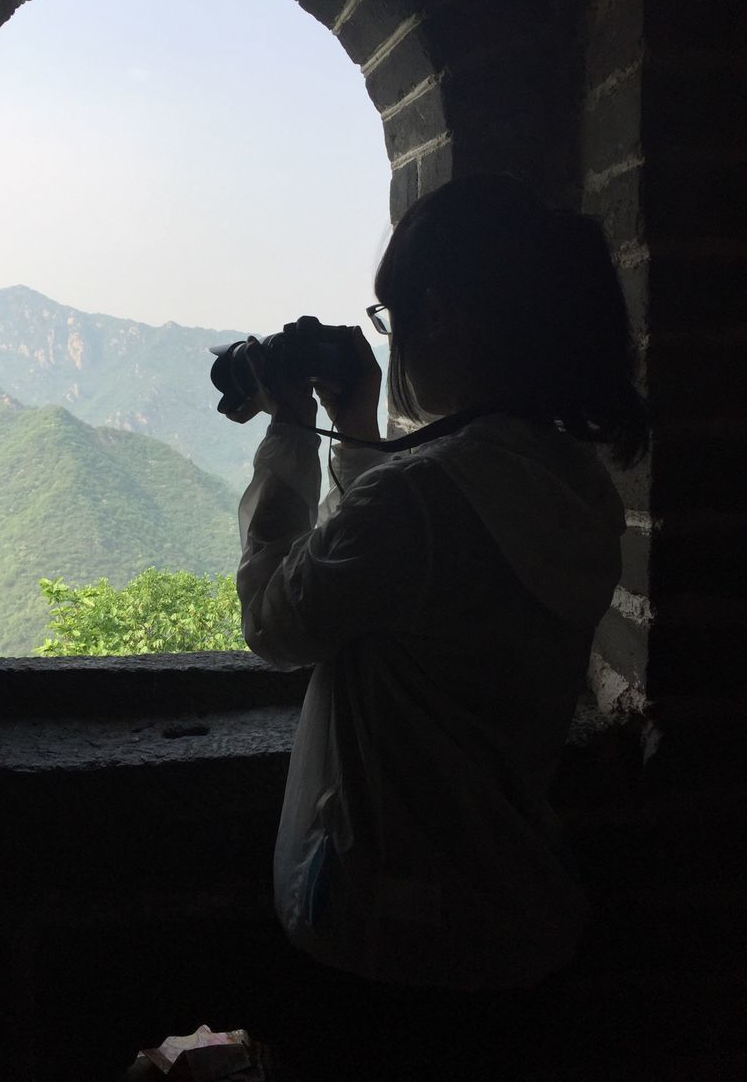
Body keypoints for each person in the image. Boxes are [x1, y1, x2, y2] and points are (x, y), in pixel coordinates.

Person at [234, 174, 647, 1073]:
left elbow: (276, 620)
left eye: (391, 314)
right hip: (513, 925)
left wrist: (290, 436)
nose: (389, 333)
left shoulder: (421, 500)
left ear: (445, 313)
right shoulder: (570, 484)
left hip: (385, 948)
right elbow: (401, 571)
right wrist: (356, 417)